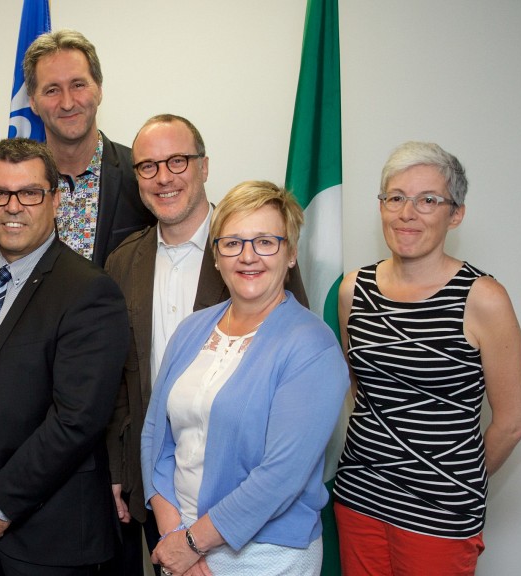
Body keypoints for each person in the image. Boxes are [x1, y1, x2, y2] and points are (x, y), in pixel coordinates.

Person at [105, 115, 308, 575]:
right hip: (157, 488)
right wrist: (118, 468)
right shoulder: (122, 262)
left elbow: (292, 356)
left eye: (177, 160)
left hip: (240, 491)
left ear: (204, 166)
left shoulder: (253, 251)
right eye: (148, 166)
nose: (164, 177)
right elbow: (118, 378)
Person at [333, 142, 521, 576]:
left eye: (427, 200)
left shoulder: (483, 298)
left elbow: (513, 422)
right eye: (395, 197)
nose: (407, 213)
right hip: (359, 499)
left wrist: (453, 480)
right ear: (381, 206)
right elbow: (360, 389)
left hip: (439, 515)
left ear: (455, 214)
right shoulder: (353, 290)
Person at [0, 137, 128, 575]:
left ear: (56, 200)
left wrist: (0, 502)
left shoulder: (88, 290)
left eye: (29, 193)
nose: (13, 207)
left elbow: (76, 420)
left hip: (50, 539)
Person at [141, 181, 347, 575]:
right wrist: (174, 535)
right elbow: (155, 434)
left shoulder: (312, 346)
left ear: (291, 253)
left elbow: (281, 475)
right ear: (216, 256)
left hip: (266, 554)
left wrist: (192, 543)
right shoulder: (192, 329)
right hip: (179, 541)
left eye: (265, 242)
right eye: (232, 243)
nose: (248, 256)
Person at [0, 29, 155, 266]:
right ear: (33, 102)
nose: (68, 103)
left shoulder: (141, 174)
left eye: (78, 85)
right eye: (52, 90)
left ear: (99, 90)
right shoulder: (9, 186)